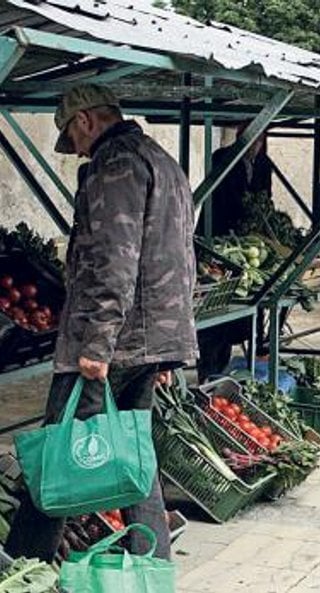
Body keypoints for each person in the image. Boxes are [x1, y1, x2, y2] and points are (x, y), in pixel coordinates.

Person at [5, 84, 197, 561]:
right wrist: (165, 347)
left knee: (58, 453)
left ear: (85, 120)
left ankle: (23, 564)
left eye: (74, 135)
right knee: (133, 455)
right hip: (149, 336)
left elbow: (116, 256)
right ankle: (153, 567)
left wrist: (98, 342)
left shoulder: (117, 164)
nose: (78, 148)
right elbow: (178, 250)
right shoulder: (162, 161)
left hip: (114, 339)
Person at [195, 124, 274, 381]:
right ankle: (208, 368)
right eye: (250, 139)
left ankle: (234, 363)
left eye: (259, 140)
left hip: (247, 242)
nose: (255, 145)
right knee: (215, 307)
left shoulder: (264, 164)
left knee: (242, 310)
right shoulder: (222, 157)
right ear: (241, 137)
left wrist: (259, 228)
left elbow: (265, 200)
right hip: (218, 238)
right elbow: (221, 198)